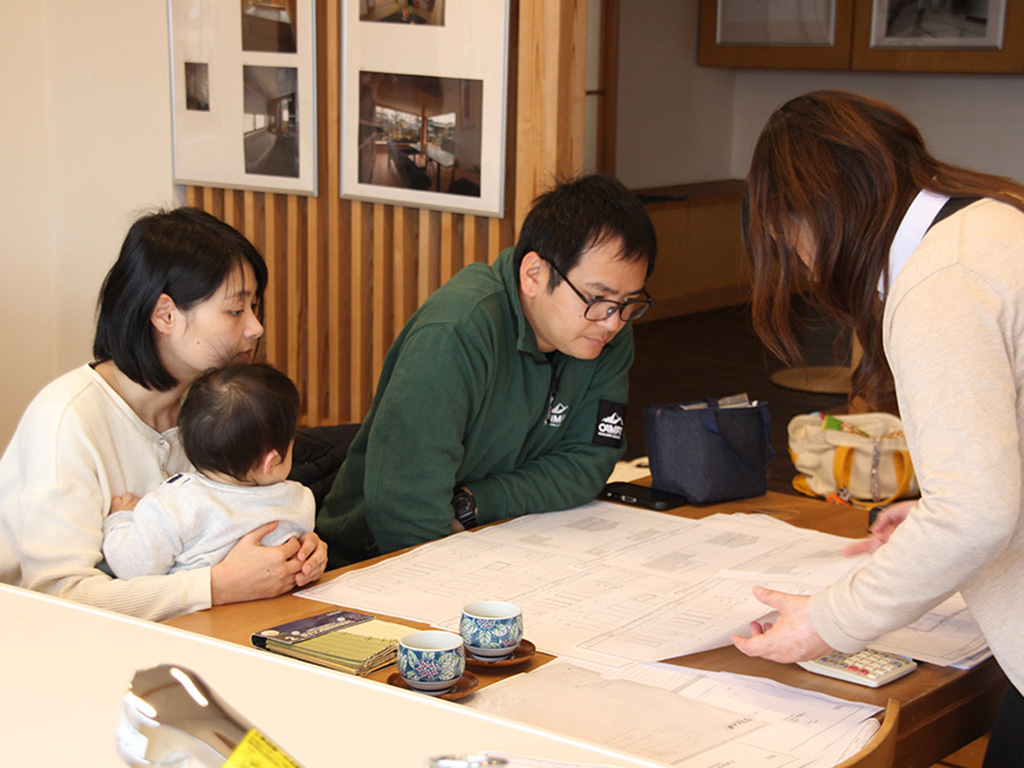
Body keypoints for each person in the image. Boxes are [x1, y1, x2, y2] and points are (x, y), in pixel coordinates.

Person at [734, 90, 1024, 765]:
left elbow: (978, 515)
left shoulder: (939, 284)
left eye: (791, 242)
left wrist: (826, 621)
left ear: (817, 211)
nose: (805, 266)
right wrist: (934, 512)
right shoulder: (990, 225)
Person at [0, 207, 327, 621]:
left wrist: (293, 552)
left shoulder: (212, 408)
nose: (256, 328)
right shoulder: (68, 418)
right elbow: (58, 596)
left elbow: (224, 528)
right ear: (165, 314)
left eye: (255, 307)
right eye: (235, 310)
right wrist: (216, 586)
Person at [317, 174, 657, 567]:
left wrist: (478, 502)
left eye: (629, 303)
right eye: (598, 299)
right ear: (534, 274)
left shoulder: (604, 332)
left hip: (506, 536)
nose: (613, 321)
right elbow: (404, 506)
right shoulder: (457, 332)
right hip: (371, 560)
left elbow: (589, 463)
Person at [103, 363, 314, 579]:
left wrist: (121, 519)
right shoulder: (299, 501)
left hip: (197, 610)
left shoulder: (174, 504)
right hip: (275, 609)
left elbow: (131, 567)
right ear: (271, 462)